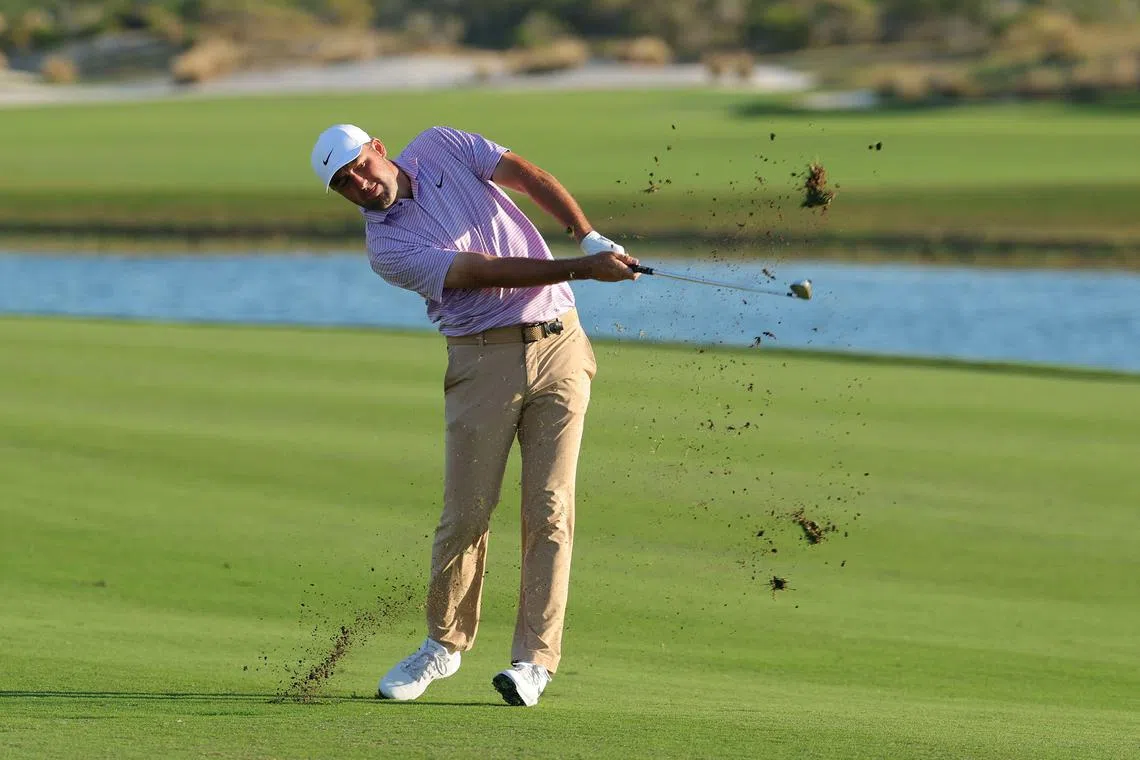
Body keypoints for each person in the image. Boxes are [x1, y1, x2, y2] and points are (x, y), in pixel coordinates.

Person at [309, 123, 639, 707]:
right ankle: (444, 644)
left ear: (378, 149)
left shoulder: (441, 144)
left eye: (360, 166)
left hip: (561, 345)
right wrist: (584, 268)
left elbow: (526, 176)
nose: (360, 183)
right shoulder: (386, 248)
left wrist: (587, 235)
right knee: (466, 513)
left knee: (551, 508)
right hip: (482, 359)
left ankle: (534, 662)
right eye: (344, 184)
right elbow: (480, 271)